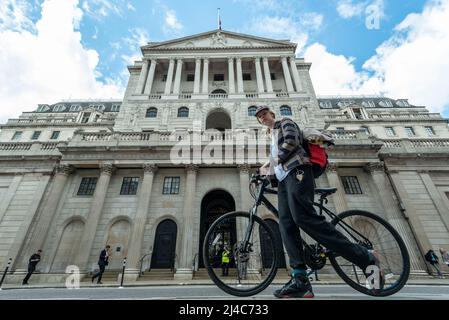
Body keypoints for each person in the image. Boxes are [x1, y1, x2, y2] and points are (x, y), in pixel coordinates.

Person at [255, 105, 384, 298]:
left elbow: (291, 142)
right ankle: (300, 280)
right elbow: (275, 159)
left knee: (303, 218)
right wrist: (266, 173)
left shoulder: (285, 122)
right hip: (283, 180)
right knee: (286, 226)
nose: (263, 118)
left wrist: (274, 161)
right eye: (259, 117)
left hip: (298, 171)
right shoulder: (271, 137)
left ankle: (366, 258)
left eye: (264, 114)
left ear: (271, 114)